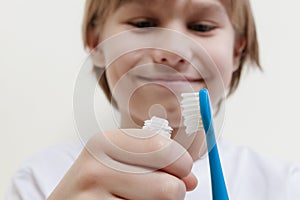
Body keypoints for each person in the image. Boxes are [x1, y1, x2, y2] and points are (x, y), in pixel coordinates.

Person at [6, 0, 300, 199]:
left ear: (238, 51)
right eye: (144, 24)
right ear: (95, 42)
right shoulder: (42, 179)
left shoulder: (284, 185)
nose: (173, 51)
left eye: (201, 27)